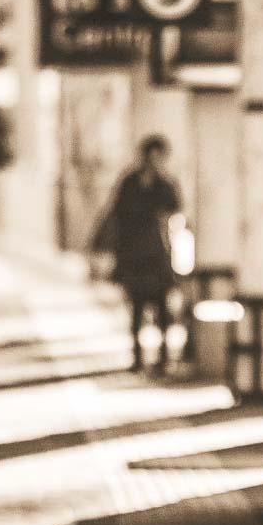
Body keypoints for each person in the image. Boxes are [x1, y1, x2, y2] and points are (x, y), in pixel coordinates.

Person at [92, 135, 183, 372]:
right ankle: (137, 356)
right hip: (134, 254)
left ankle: (163, 357)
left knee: (162, 307)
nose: (155, 162)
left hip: (157, 254)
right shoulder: (130, 182)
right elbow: (116, 214)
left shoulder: (165, 184)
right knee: (137, 306)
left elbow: (175, 207)